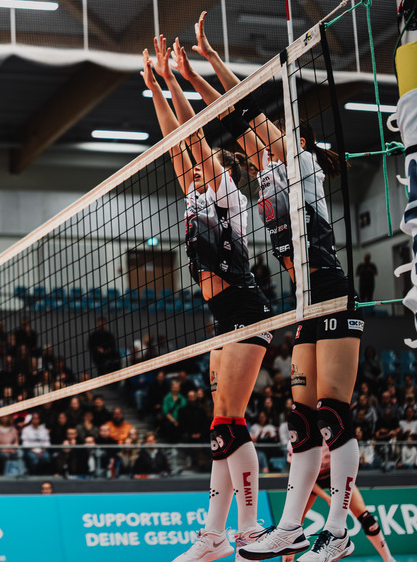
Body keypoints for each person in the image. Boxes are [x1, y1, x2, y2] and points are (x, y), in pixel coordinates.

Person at [176, 13, 363, 562]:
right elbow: (233, 122)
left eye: (273, 140)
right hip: (305, 301)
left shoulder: (303, 167)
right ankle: (290, 528)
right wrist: (188, 76)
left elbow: (246, 110)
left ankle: (338, 529)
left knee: (332, 412)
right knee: (302, 420)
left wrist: (209, 59)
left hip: (332, 291)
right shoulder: (267, 176)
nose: (264, 147)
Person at [143, 35, 272, 562]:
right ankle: (214, 535)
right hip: (222, 319)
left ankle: (246, 530)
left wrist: (176, 79)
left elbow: (192, 135)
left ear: (218, 169)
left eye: (201, 164)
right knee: (220, 423)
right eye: (192, 167)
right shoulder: (193, 191)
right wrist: (154, 86)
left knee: (229, 420)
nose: (192, 167)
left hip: (246, 310)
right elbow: (176, 141)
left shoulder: (225, 196)